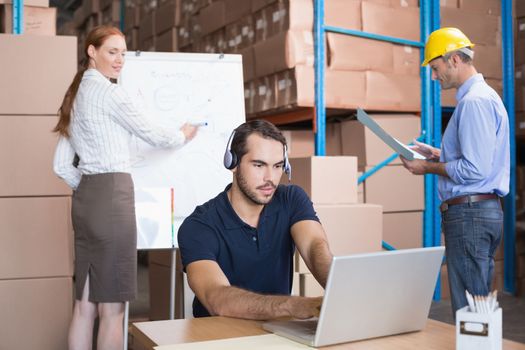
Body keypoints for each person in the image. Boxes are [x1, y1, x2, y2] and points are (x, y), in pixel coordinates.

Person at [53, 25, 198, 350]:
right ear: (92, 51)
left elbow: (61, 165)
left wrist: (91, 187)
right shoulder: (110, 93)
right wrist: (182, 135)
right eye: (111, 52)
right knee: (114, 308)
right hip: (112, 199)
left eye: (123, 53)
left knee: (85, 304)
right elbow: (152, 133)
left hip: (86, 200)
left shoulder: (74, 96)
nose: (120, 60)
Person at [400, 27, 510, 315]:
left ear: (454, 60)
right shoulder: (482, 98)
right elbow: (481, 159)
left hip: (470, 215)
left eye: (436, 68)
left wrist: (426, 167)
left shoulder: (474, 103)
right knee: (479, 307)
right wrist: (438, 154)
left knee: (472, 311)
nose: (434, 77)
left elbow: (475, 169)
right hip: (478, 212)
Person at [178, 120, 334, 319]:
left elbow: (315, 247)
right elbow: (216, 297)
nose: (270, 178)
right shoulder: (199, 226)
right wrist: (293, 306)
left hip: (277, 332)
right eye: (259, 165)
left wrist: (339, 290)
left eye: (278, 166)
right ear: (233, 163)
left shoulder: (291, 200)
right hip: (218, 336)